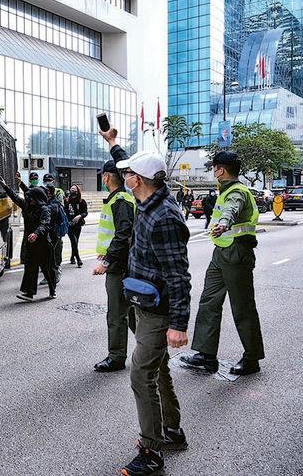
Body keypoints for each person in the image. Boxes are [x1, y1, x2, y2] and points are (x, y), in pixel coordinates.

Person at [101, 128, 192, 476]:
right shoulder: (148, 200)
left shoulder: (164, 216)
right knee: (158, 368)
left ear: (137, 180)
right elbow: (127, 162)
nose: (124, 177)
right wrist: (112, 143)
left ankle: (152, 452)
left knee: (141, 374)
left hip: (157, 308)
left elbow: (179, 274)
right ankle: (171, 430)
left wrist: (179, 323)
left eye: (128, 174)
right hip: (143, 299)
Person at [181, 151, 264, 376]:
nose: (213, 171)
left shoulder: (236, 192)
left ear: (220, 170)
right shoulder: (226, 190)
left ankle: (252, 358)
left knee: (243, 306)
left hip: (237, 253)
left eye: (214, 167)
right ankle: (206, 355)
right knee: (209, 301)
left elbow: (231, 208)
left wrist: (224, 223)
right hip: (221, 253)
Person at [91, 160, 136, 373]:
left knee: (117, 313)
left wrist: (106, 262)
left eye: (103, 176)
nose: (102, 179)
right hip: (121, 263)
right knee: (133, 310)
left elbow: (123, 234)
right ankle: (154, 347)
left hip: (119, 266)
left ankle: (117, 357)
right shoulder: (119, 199)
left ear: (107, 177)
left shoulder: (121, 200)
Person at [1, 177, 56, 301]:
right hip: (31, 244)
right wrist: (5, 187)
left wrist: (36, 233)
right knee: (30, 269)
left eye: (30, 197)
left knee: (47, 269)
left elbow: (45, 224)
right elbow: (15, 197)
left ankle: (52, 290)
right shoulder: (27, 206)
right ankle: (29, 293)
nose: (28, 198)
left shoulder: (44, 210)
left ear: (36, 198)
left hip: (43, 245)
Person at [43, 184, 67, 288]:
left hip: (55, 234)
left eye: (46, 191)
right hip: (50, 234)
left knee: (53, 256)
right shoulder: (47, 202)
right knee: (48, 256)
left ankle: (56, 274)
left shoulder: (54, 205)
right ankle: (50, 276)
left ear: (51, 193)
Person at [64, 185, 88, 267]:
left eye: (73, 189)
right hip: (69, 225)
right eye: (71, 189)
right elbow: (64, 212)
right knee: (73, 241)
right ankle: (78, 259)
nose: (71, 190)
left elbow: (85, 212)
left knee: (75, 242)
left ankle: (72, 257)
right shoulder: (67, 201)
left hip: (77, 225)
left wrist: (80, 216)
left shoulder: (81, 201)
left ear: (77, 191)